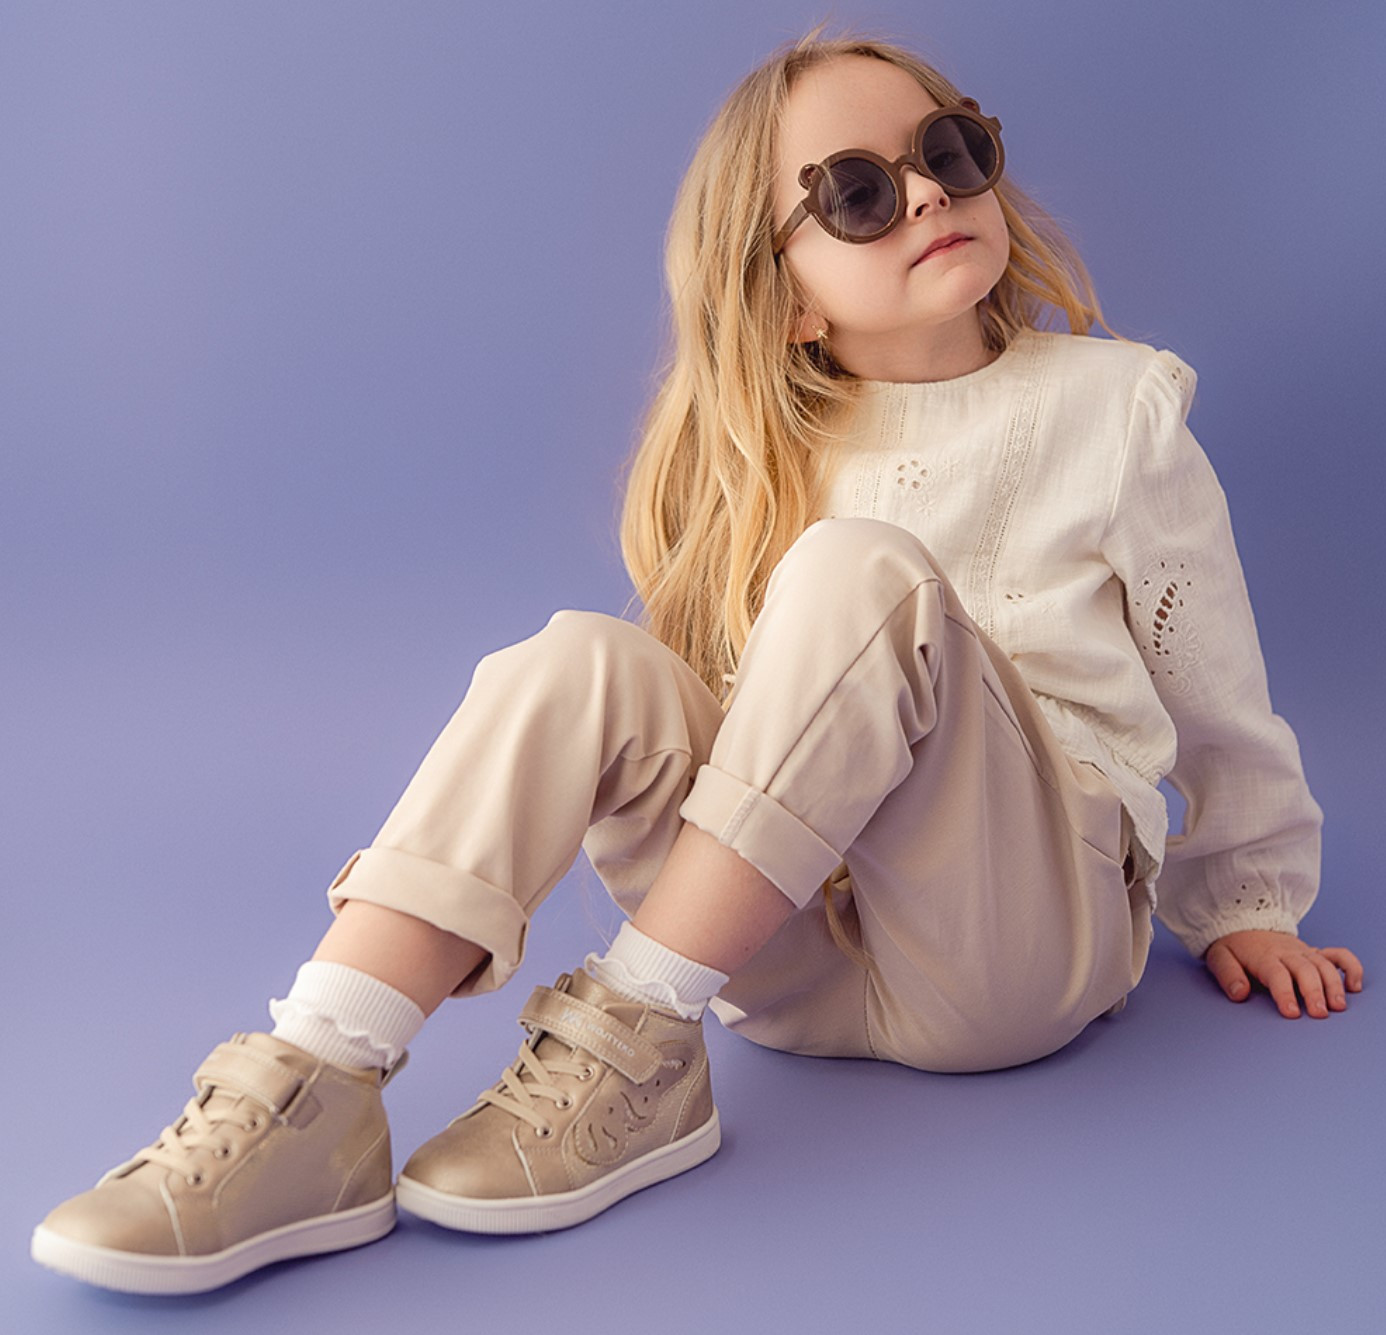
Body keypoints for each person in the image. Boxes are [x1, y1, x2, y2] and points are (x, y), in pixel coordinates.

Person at [31, 24, 1364, 1296]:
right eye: (855, 194)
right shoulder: (767, 452)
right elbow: (760, 733)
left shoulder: (1112, 409)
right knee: (578, 660)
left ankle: (633, 1025)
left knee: (860, 571)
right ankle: (316, 1080)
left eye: (948, 153)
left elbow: (1215, 689)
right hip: (785, 966)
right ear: (783, 301)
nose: (923, 196)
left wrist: (1246, 896)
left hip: (1017, 946)